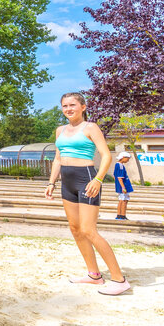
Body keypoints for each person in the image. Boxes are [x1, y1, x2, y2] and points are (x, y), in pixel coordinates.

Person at [45, 92, 130, 296]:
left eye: (72, 105)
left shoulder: (90, 127)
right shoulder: (60, 130)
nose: (68, 109)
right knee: (75, 229)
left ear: (83, 107)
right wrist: (51, 182)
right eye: (64, 106)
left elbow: (106, 155)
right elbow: (58, 159)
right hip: (67, 181)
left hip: (87, 179)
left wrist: (98, 180)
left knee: (89, 230)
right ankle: (94, 275)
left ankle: (119, 280)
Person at [113, 151, 134, 220]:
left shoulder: (117, 165)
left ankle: (119, 215)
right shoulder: (120, 165)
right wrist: (123, 187)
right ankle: (122, 215)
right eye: (127, 158)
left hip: (121, 185)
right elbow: (119, 177)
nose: (128, 160)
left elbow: (114, 176)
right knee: (123, 200)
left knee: (122, 199)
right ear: (123, 157)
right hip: (123, 186)